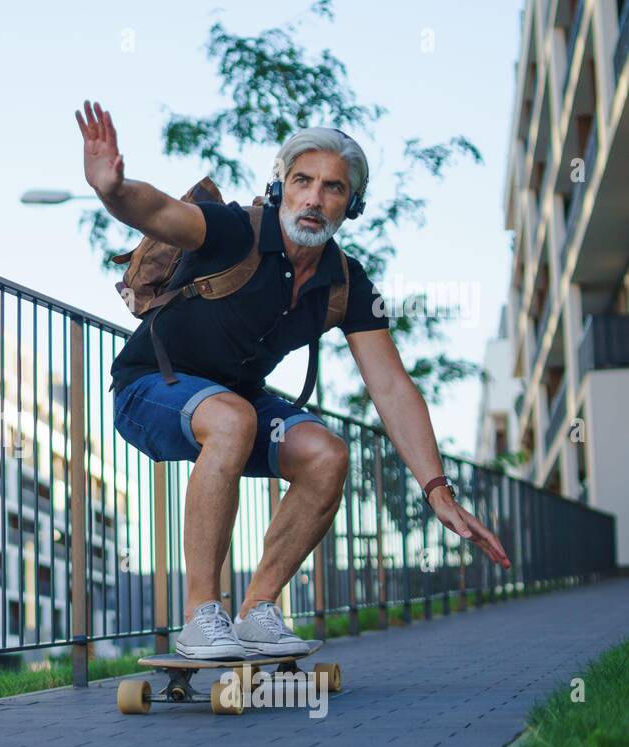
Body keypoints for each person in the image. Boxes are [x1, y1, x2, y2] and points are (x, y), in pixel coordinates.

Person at [75, 99, 511, 661]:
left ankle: (258, 610)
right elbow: (158, 211)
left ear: (351, 205)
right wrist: (113, 189)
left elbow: (393, 387)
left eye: (332, 187)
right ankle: (201, 618)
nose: (314, 197)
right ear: (282, 185)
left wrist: (436, 488)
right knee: (232, 417)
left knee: (326, 453)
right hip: (148, 391)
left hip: (237, 406)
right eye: (302, 180)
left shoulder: (347, 283)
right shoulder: (236, 230)